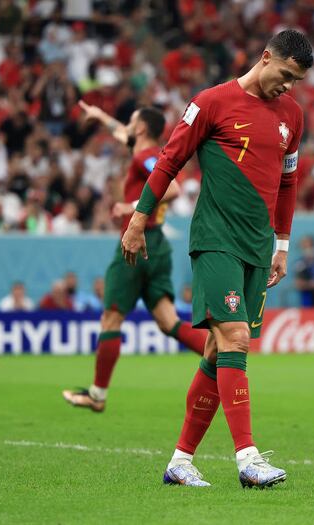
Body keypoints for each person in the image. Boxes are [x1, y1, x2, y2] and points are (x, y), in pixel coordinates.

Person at [120, 30, 313, 488]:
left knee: (215, 350)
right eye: (285, 75)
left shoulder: (293, 116)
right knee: (235, 337)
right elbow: (169, 160)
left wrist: (281, 244)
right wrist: (137, 221)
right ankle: (247, 457)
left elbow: (288, 183)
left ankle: (180, 461)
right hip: (215, 239)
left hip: (257, 244)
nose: (287, 86)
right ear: (265, 58)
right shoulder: (211, 102)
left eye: (296, 81)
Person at [62, 103, 208, 413]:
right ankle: (222, 360)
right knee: (168, 320)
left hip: (137, 244)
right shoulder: (146, 150)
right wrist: (101, 117)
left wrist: (131, 207)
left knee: (111, 318)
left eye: (131, 121)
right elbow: (123, 133)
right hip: (158, 246)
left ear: (141, 129)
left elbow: (172, 187)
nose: (126, 126)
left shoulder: (146, 157)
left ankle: (97, 395)